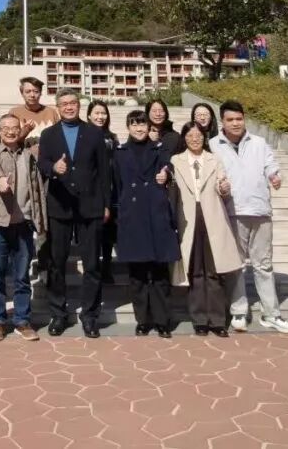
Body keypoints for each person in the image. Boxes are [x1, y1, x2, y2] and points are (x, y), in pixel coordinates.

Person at [210, 100, 288, 334]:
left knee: (263, 264)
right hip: (232, 211)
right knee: (236, 265)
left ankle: (271, 313)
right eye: (230, 120)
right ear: (222, 122)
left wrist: (274, 176)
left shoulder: (258, 143)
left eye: (239, 119)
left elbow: (270, 164)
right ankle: (239, 311)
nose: (235, 123)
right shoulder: (213, 145)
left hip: (260, 211)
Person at [36, 88, 111, 338]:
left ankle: (90, 316)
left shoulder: (94, 133)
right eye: (64, 103)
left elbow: (104, 172)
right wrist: (52, 167)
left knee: (92, 265)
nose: (69, 107)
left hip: (90, 207)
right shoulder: (48, 135)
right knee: (57, 264)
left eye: (73, 103)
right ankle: (59, 314)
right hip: (60, 207)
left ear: (79, 105)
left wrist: (106, 204)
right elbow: (41, 163)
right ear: (57, 107)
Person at [172, 122, 241, 337]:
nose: (195, 139)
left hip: (212, 217)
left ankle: (218, 320)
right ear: (184, 138)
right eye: (190, 135)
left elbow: (222, 184)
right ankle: (200, 320)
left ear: (204, 138)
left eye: (199, 135)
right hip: (188, 219)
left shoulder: (214, 159)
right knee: (195, 271)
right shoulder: (176, 161)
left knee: (213, 271)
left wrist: (224, 187)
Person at [115, 111, 180, 337]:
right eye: (134, 125)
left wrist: (166, 174)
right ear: (128, 128)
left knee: (160, 273)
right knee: (138, 275)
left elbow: (169, 167)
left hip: (156, 214)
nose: (139, 129)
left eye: (142, 124)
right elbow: (116, 185)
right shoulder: (120, 153)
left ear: (148, 127)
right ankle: (142, 320)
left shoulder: (160, 150)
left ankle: (162, 321)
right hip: (132, 216)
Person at [0, 113, 47, 342]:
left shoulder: (29, 154)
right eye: (6, 128)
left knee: (22, 277)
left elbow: (37, 186)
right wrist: (2, 181)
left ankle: (22, 320)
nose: (10, 131)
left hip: (23, 224)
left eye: (14, 127)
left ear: (20, 130)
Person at [86, 100, 119, 285]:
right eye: (97, 113)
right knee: (93, 233)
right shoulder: (84, 135)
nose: (100, 117)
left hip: (110, 190)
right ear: (89, 115)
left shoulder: (112, 138)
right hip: (90, 191)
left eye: (103, 113)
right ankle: (93, 268)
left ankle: (107, 266)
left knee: (108, 232)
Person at [7, 76, 61, 147]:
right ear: (22, 93)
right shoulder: (14, 113)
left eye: (36, 91)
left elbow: (59, 138)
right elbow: (8, 141)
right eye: (28, 92)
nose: (32, 95)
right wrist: (25, 131)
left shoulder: (51, 112)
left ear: (40, 93)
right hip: (21, 153)